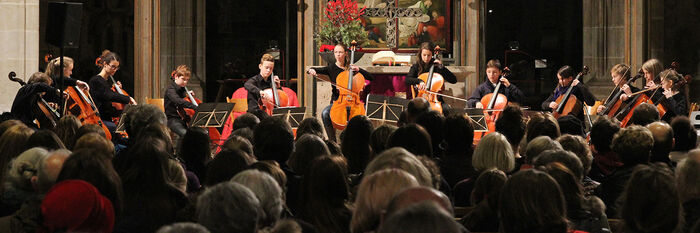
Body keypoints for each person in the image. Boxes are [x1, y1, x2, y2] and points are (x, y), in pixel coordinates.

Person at [306, 43, 374, 142]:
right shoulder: (331, 68)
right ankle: (332, 142)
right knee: (325, 113)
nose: (338, 54)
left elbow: (370, 77)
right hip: (337, 102)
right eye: (336, 52)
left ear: (346, 53)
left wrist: (359, 69)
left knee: (361, 119)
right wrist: (311, 70)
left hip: (354, 102)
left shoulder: (352, 69)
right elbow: (314, 69)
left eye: (340, 52)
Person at [89, 50, 137, 134]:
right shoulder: (96, 80)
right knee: (113, 128)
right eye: (113, 67)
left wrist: (117, 89)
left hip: (109, 118)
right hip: (99, 119)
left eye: (117, 67)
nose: (115, 70)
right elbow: (109, 95)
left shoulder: (107, 82)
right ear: (105, 64)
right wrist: (128, 99)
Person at [404, 42, 458, 111]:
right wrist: (419, 81)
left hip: (436, 100)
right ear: (420, 54)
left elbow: (454, 80)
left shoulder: (437, 66)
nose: (426, 58)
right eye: (424, 55)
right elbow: (407, 80)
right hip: (420, 99)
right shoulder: (416, 66)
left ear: (432, 54)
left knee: (446, 109)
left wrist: (442, 68)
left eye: (428, 55)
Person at [163, 65, 198, 137]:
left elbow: (183, 102)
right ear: (176, 76)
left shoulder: (183, 90)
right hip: (172, 119)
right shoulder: (170, 90)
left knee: (196, 134)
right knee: (185, 134)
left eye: (187, 80)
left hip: (184, 118)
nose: (185, 82)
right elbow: (178, 101)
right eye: (183, 79)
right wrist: (195, 107)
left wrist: (188, 95)